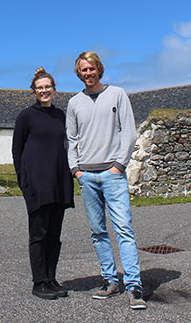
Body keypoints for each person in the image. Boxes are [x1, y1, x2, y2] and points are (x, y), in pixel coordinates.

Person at [66, 51, 146, 310]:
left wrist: (118, 165)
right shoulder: (74, 102)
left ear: (99, 69)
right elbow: (72, 140)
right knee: (98, 231)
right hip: (87, 175)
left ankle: (134, 285)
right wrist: (76, 170)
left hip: (112, 174)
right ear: (79, 73)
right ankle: (110, 280)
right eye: (83, 70)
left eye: (91, 68)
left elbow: (128, 132)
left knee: (123, 228)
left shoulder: (117, 94)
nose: (88, 73)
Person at [12, 67, 75, 300]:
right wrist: (24, 182)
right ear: (34, 91)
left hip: (58, 182)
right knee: (39, 234)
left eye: (48, 87)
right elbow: (17, 151)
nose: (44, 91)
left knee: (54, 235)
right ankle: (39, 282)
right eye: (40, 88)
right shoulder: (26, 117)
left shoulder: (61, 116)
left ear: (54, 89)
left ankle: (51, 278)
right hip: (37, 185)